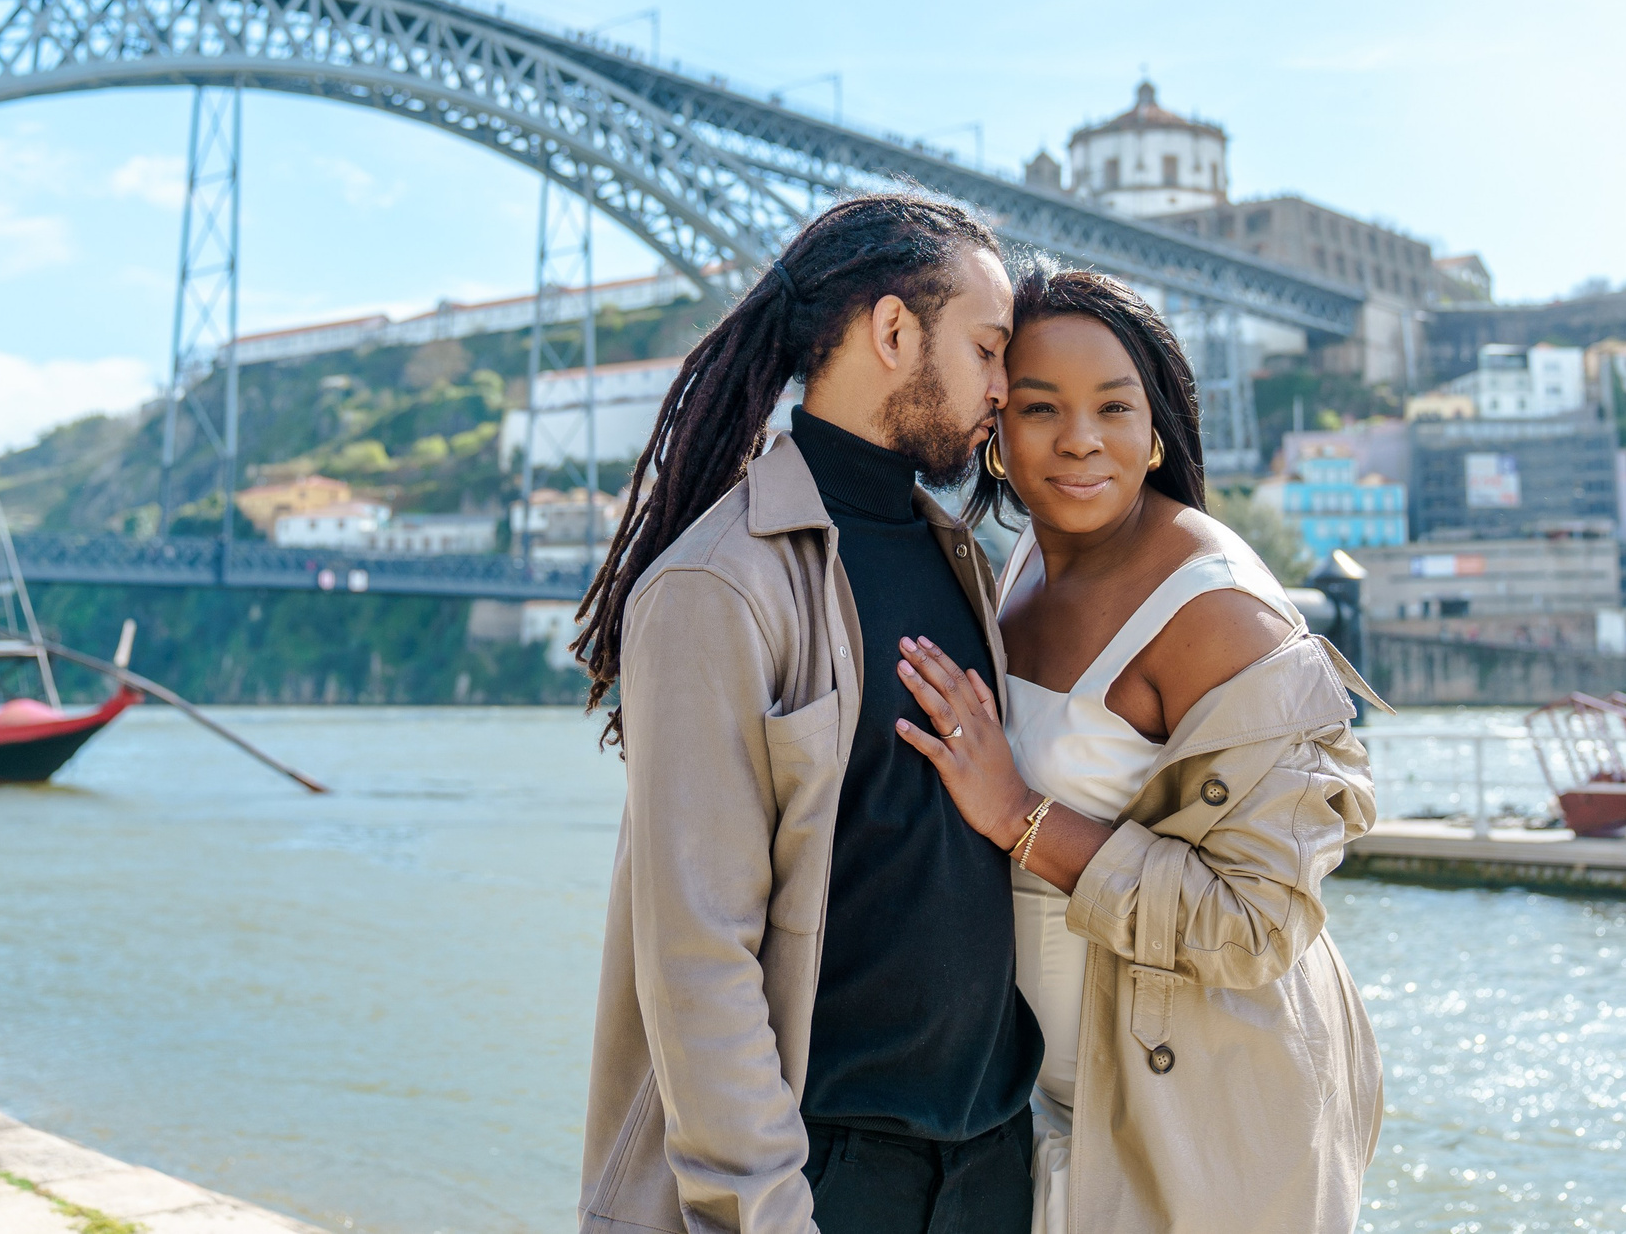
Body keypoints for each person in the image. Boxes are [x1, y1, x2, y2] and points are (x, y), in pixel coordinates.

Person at [575, 192, 1043, 1234]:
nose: (1004, 391)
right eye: (985, 349)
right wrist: (768, 1213)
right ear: (891, 332)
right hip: (826, 1181)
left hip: (990, 1166)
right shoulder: (717, 584)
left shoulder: (966, 558)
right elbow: (700, 953)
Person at [889, 268, 1384, 1234]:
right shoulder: (1024, 559)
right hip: (1048, 1112)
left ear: (1156, 426)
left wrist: (1018, 817)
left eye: (1114, 406)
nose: (1080, 438)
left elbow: (1257, 921)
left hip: (1203, 1127)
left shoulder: (1219, 615)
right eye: (1041, 407)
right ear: (996, 429)